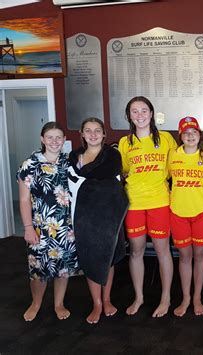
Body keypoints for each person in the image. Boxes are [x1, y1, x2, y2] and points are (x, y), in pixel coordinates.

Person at [118, 96, 177, 317]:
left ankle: (166, 298)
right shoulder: (125, 143)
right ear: (129, 116)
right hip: (133, 203)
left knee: (163, 251)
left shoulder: (166, 139)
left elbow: (174, 169)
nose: (140, 115)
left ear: (151, 114)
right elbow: (124, 171)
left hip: (160, 202)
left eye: (144, 110)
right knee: (136, 251)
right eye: (135, 111)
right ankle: (139, 297)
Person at [68, 117, 128, 324]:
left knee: (108, 254)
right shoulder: (74, 155)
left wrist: (83, 173)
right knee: (90, 255)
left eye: (97, 130)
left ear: (104, 134)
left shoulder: (113, 154)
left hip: (110, 210)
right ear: (82, 134)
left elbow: (107, 173)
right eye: (88, 130)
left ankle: (107, 298)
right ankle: (97, 303)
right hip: (84, 213)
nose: (93, 134)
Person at [17, 121, 79, 321]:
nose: (54, 141)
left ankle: (58, 304)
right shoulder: (29, 165)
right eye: (50, 137)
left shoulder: (68, 162)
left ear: (64, 140)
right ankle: (35, 303)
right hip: (39, 227)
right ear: (42, 139)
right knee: (38, 270)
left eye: (58, 137)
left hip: (65, 227)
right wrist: (28, 228)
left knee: (62, 269)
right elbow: (25, 199)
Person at [168, 116, 203, 317]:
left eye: (194, 132)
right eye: (186, 132)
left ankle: (197, 298)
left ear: (200, 135)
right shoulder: (172, 155)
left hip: (202, 212)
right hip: (178, 212)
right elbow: (162, 178)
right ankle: (186, 297)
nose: (190, 135)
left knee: (200, 255)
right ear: (180, 136)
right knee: (185, 257)